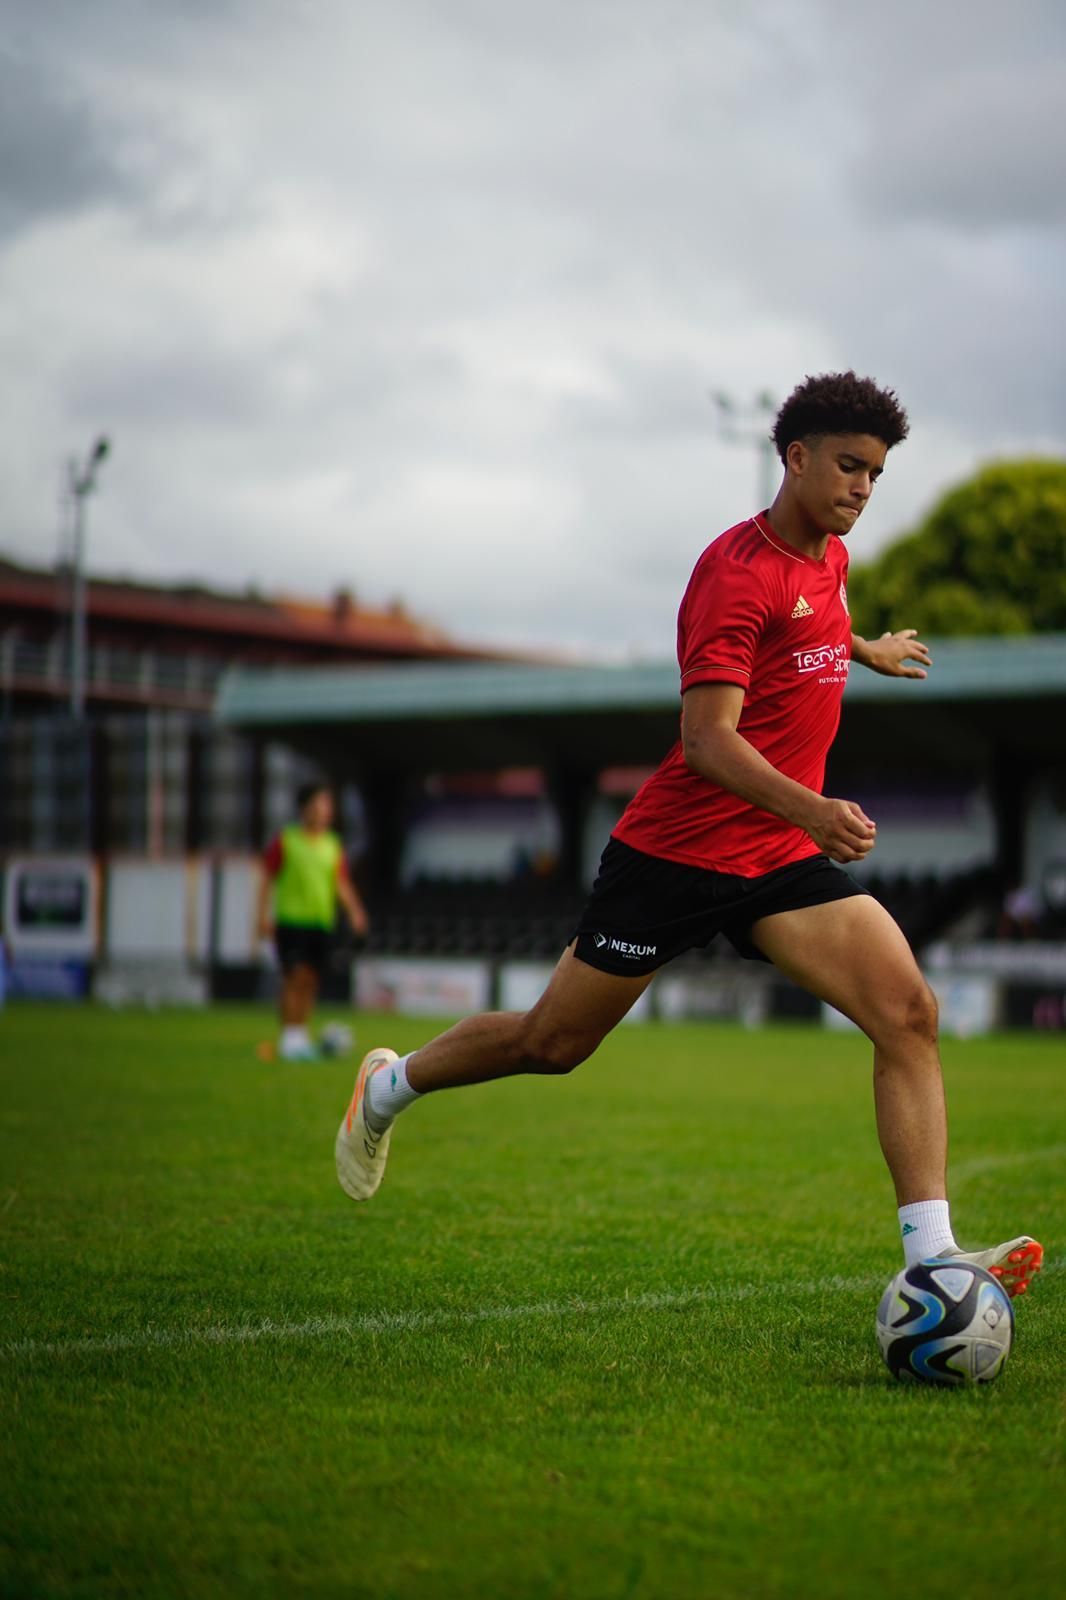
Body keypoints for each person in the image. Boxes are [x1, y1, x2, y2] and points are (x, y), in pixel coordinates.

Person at [335, 371, 1042, 1298]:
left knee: (908, 1013)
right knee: (552, 1044)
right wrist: (817, 812)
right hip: (674, 857)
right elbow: (706, 743)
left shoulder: (829, 555)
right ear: (793, 457)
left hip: (777, 862)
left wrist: (864, 649)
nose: (864, 488)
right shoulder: (731, 574)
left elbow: (812, 623)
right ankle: (390, 1088)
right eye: (848, 467)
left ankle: (932, 1265)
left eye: (875, 474)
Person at [258, 782, 368, 1060]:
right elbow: (267, 880)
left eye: (328, 805)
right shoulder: (287, 841)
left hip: (321, 922)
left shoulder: (332, 845)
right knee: (294, 977)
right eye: (320, 804)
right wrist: (261, 916)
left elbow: (340, 883)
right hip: (291, 921)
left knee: (311, 980)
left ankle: (300, 1034)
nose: (325, 810)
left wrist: (355, 911)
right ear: (304, 808)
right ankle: (288, 1036)